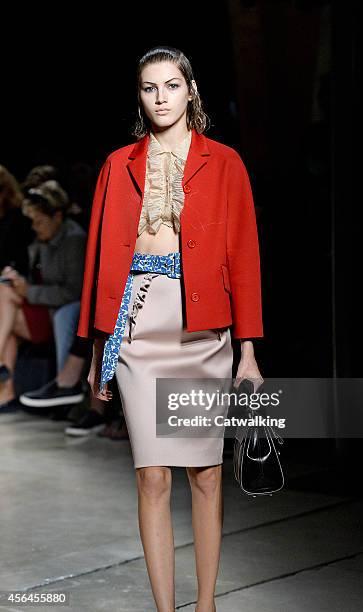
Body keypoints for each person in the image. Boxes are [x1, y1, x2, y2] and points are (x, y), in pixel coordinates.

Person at [77, 46, 264, 612]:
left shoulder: (224, 162)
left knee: (205, 473)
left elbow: (244, 257)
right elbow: (100, 256)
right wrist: (98, 346)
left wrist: (249, 351)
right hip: (138, 324)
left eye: (170, 86)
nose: (160, 97)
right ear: (139, 96)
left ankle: (205, 603)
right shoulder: (119, 164)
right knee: (152, 476)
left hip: (201, 328)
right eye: (148, 87)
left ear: (191, 91)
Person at [0, 180, 86, 409]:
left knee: (5, 305)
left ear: (57, 216)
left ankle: (6, 393)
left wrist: (28, 290)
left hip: (61, 309)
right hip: (44, 306)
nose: (35, 227)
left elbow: (72, 292)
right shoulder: (42, 240)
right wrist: (20, 280)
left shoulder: (74, 240)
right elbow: (39, 278)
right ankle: (6, 393)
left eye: (39, 221)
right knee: (5, 294)